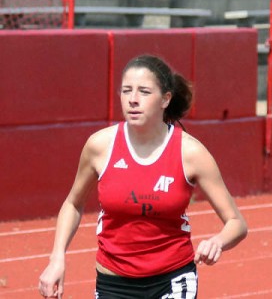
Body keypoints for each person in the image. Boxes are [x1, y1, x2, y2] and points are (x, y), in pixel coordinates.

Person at [38, 54, 248, 298]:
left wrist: (218, 242)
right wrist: (57, 259)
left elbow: (237, 223)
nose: (133, 100)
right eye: (127, 91)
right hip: (113, 282)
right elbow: (73, 204)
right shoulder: (100, 146)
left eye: (144, 92)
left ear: (165, 99)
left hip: (172, 278)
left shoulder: (190, 152)